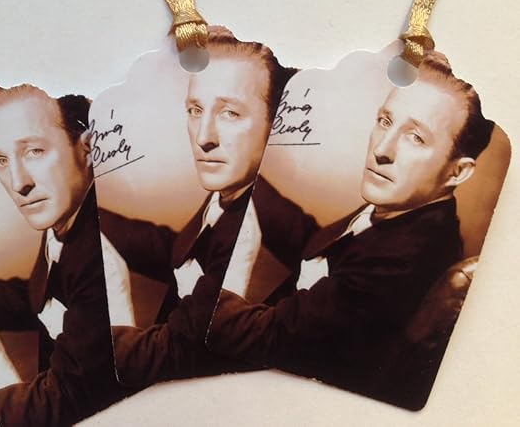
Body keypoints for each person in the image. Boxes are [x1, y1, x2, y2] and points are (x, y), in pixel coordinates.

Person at [208, 50, 495, 408]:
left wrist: (206, 291)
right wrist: (249, 184)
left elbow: (259, 338)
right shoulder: (404, 211)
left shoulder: (404, 261)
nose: (382, 150)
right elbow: (329, 245)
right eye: (386, 121)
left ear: (458, 171)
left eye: (415, 138)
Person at [103, 27, 317, 386]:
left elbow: (169, 354)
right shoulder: (226, 200)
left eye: (229, 113)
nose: (204, 138)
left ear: (276, 123)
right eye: (195, 110)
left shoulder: (260, 231)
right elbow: (172, 244)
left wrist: (97, 340)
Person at [0, 83, 120, 426]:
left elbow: (67, 398)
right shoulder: (66, 221)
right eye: (1, 160)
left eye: (34, 151)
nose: (19, 182)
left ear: (88, 149)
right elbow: (38, 292)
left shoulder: (102, 253)